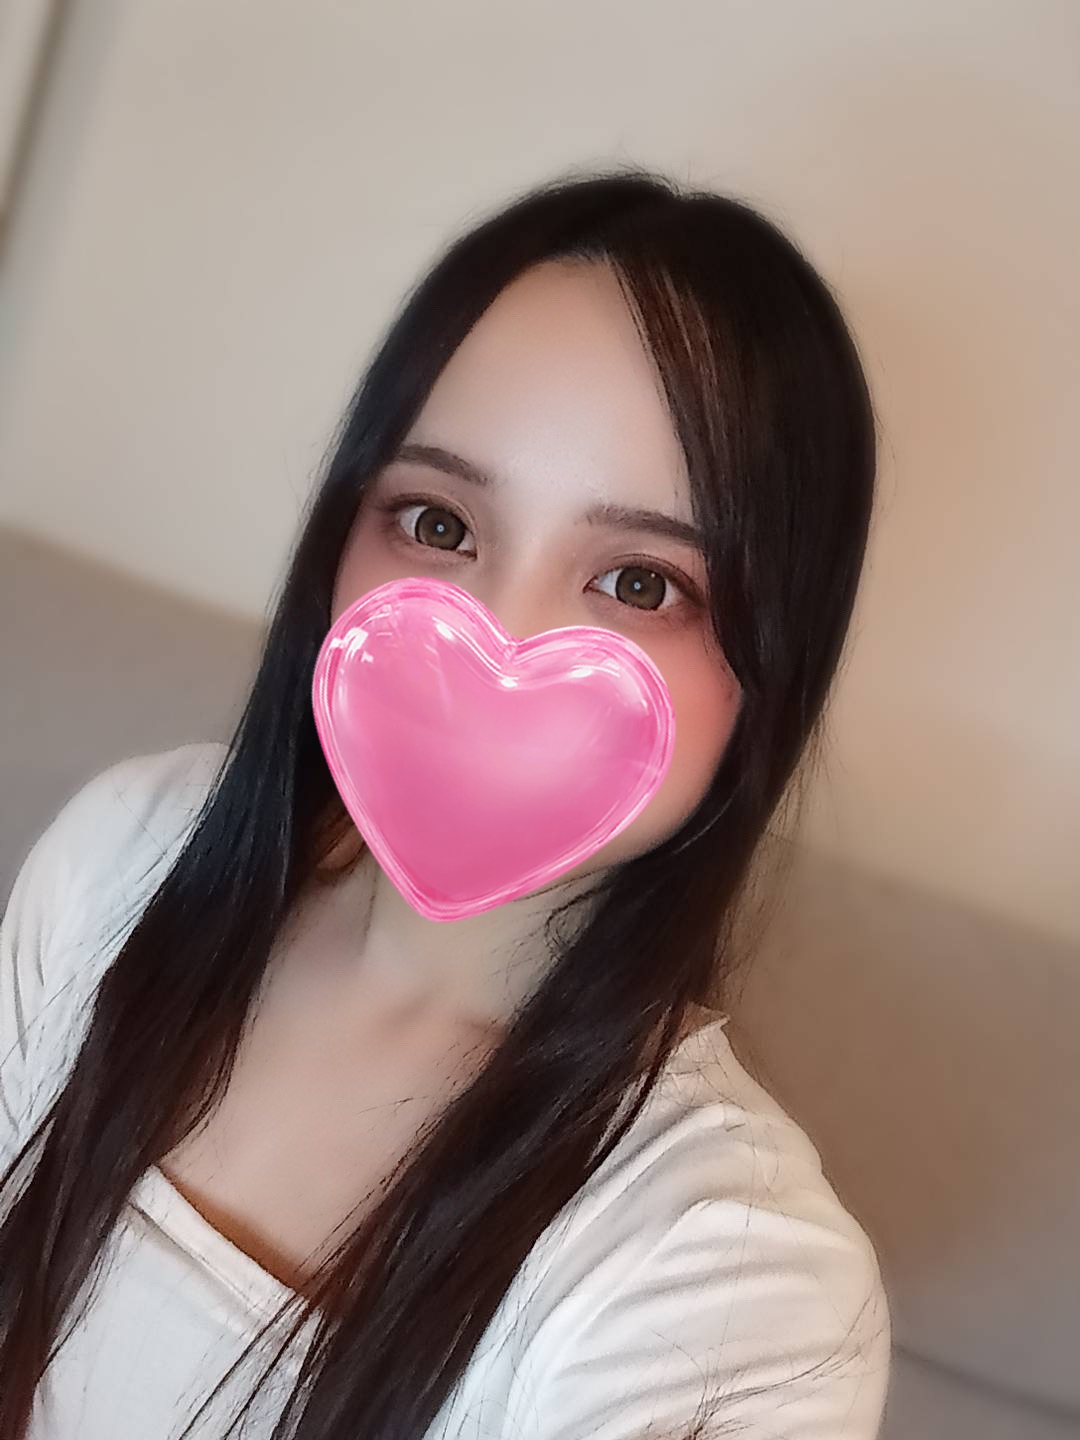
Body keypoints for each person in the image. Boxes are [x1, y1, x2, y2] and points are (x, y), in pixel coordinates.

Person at [0, 169, 891, 1438]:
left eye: (640, 583)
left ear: (771, 672)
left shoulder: (735, 1285)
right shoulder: (127, 858)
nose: (494, 638)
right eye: (436, 521)